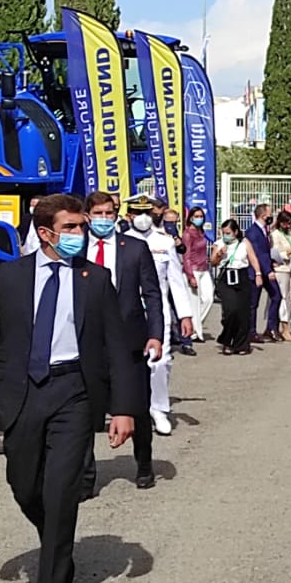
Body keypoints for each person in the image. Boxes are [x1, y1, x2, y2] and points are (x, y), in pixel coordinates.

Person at [0, 194, 140, 583]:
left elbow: (117, 349)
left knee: (62, 488)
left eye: (83, 226)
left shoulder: (95, 280)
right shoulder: (10, 277)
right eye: (72, 228)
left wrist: (123, 409)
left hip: (73, 393)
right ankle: (55, 538)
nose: (81, 235)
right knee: (25, 485)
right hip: (21, 392)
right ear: (45, 233)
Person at [84, 192, 164, 494]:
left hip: (130, 340)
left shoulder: (134, 248)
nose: (104, 218)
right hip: (89, 343)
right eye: (98, 213)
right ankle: (86, 476)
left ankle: (144, 464)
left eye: (109, 213)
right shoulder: (77, 249)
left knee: (137, 408)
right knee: (86, 412)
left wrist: (155, 334)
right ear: (88, 215)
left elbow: (152, 294)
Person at [128, 189, 198, 442]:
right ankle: (131, 409)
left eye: (147, 212)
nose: (143, 218)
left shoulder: (164, 241)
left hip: (158, 311)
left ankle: (158, 409)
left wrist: (185, 315)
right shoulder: (120, 241)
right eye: (138, 213)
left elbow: (175, 281)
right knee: (129, 363)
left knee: (160, 362)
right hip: (127, 312)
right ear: (128, 215)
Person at [212, 218, 262, 354]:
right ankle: (227, 340)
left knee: (243, 312)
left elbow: (253, 259)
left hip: (241, 276)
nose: (226, 235)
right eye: (224, 233)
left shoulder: (244, 243)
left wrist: (258, 274)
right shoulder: (219, 244)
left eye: (228, 232)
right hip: (226, 278)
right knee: (231, 311)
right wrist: (219, 254)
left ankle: (242, 344)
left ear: (235, 231)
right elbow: (213, 262)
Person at [180, 205, 214, 346]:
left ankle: (194, 326)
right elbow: (186, 256)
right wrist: (190, 275)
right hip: (193, 269)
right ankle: (195, 333)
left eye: (201, 216)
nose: (199, 219)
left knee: (208, 298)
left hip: (204, 268)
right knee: (194, 303)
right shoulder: (188, 234)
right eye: (196, 216)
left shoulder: (201, 232)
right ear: (191, 218)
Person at [247, 204, 281, 343]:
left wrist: (271, 262)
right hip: (257, 271)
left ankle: (271, 327)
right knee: (253, 303)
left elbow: (265, 252)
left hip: (266, 268)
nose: (271, 217)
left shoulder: (264, 230)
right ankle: (251, 332)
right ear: (263, 216)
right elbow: (257, 253)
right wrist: (266, 271)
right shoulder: (253, 231)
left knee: (277, 296)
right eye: (269, 214)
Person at [271, 210, 291, 341]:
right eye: (285, 223)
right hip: (281, 268)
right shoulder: (275, 235)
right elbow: (276, 253)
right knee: (285, 298)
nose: (287, 226)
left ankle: (277, 319)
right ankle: (285, 328)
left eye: (289, 223)